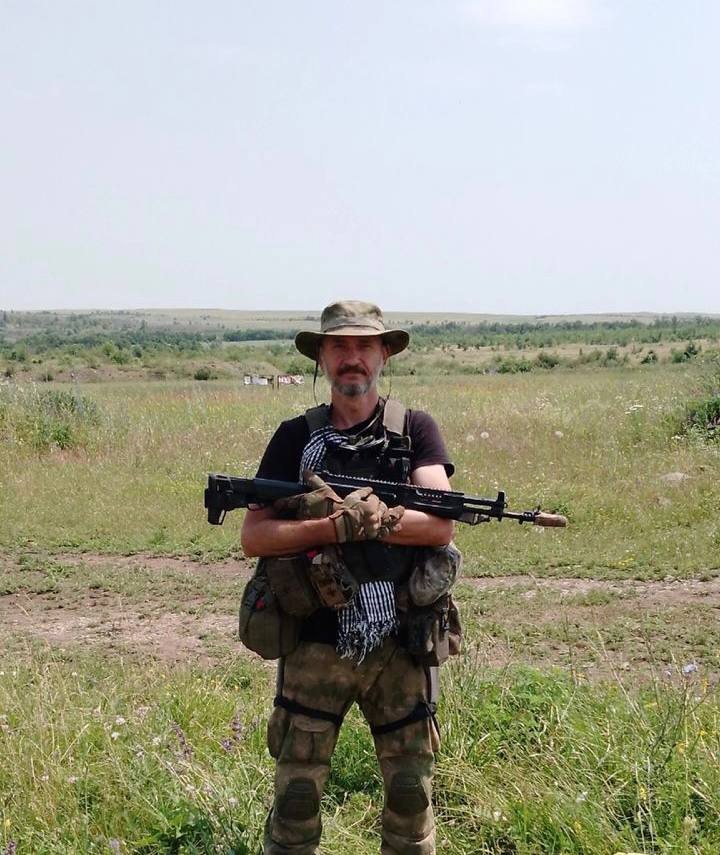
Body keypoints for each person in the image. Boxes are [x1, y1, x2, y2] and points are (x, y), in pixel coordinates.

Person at [241, 300, 457, 855]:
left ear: (385, 355)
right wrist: (334, 529)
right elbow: (255, 536)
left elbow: (439, 524)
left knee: (410, 795)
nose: (352, 357)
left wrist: (377, 521)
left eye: (364, 346)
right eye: (339, 346)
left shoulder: (414, 431)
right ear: (322, 357)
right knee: (296, 799)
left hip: (400, 645)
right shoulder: (295, 438)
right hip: (314, 641)